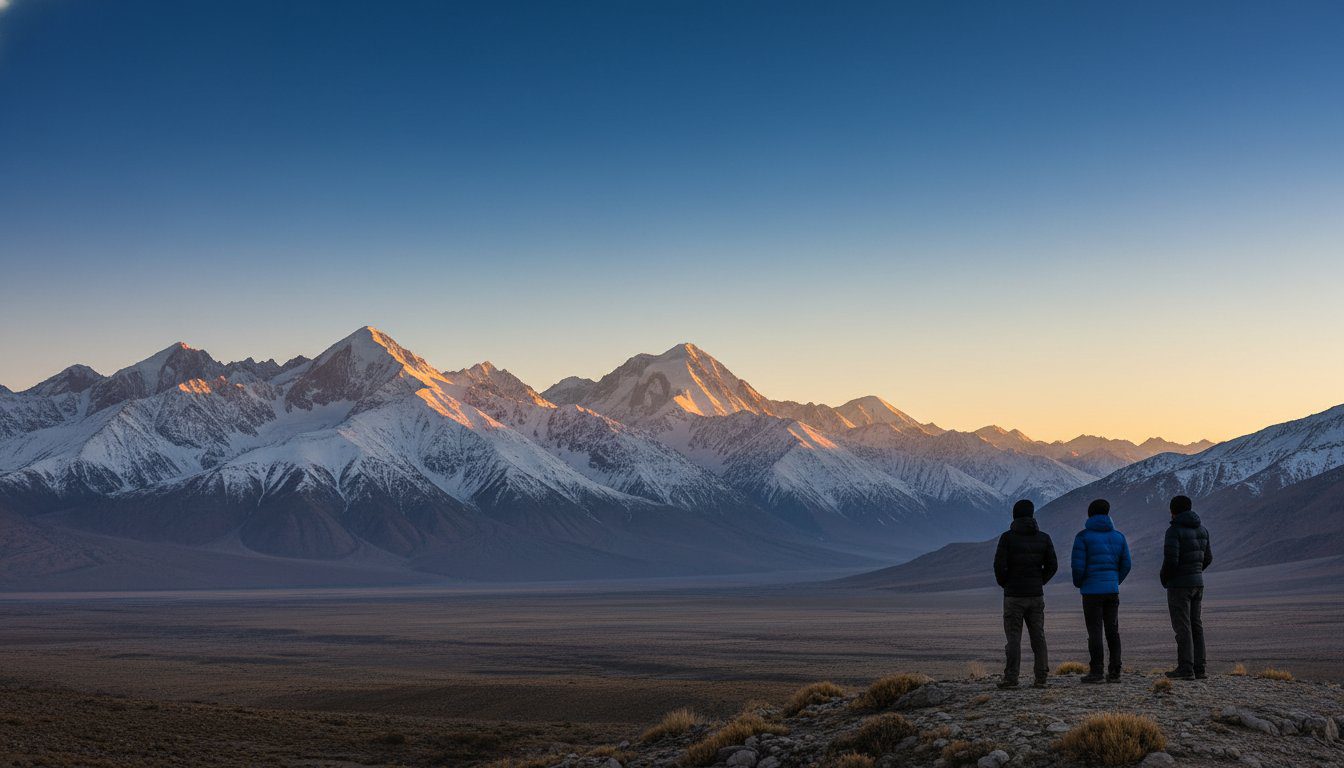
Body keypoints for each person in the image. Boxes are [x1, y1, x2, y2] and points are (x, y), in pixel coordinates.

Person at [993, 498, 1058, 689]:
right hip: (1036, 596)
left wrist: (1005, 583)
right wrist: (1040, 581)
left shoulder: (1007, 538)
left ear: (1014, 515)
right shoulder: (1043, 538)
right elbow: (1053, 565)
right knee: (1038, 636)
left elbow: (998, 565)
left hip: (1013, 596)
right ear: (1032, 515)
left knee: (1013, 638)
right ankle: (1041, 678)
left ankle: (1011, 678)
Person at [1070, 498, 1131, 684]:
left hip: (1091, 592)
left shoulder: (1083, 537)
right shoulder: (1119, 537)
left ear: (1090, 514)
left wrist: (1080, 583)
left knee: (1095, 631)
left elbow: (1078, 566)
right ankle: (1115, 672)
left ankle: (1096, 672)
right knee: (1113, 630)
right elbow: (1126, 564)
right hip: (1112, 591)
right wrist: (1114, 581)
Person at [1161, 494, 1213, 680]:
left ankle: (1186, 668)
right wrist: (1196, 572)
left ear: (1173, 511)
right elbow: (1208, 558)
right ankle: (1200, 668)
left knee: (1183, 627)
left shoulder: (1174, 531)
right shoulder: (1203, 530)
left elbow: (1171, 560)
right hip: (1197, 583)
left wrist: (1165, 578)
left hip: (1179, 585)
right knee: (1196, 624)